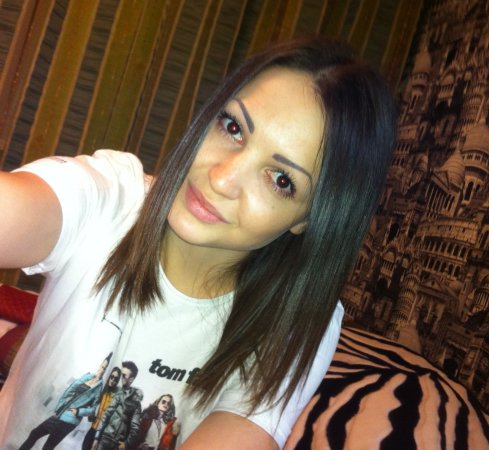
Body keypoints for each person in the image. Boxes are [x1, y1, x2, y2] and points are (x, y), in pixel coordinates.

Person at [0, 36, 396, 449]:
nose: (222, 179)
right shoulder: (110, 198)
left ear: (309, 218)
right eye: (233, 128)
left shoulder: (297, 317)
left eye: (281, 180)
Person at [17, 353, 112, 450]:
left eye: (105, 368)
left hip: (69, 421)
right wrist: (61, 405)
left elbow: (93, 410)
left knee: (48, 447)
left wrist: (78, 411)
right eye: (102, 366)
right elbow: (71, 388)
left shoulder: (98, 388)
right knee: (35, 433)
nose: (102, 370)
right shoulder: (88, 377)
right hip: (61, 413)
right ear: (99, 366)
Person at [93, 361, 144, 449]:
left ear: (131, 379)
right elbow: (106, 416)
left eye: (124, 376)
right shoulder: (118, 394)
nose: (120, 378)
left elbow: (135, 427)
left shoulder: (136, 402)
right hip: (104, 439)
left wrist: (126, 444)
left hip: (118, 445)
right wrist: (96, 438)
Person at [82, 366, 122, 450]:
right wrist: (91, 415)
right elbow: (93, 406)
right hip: (93, 428)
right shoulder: (103, 390)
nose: (112, 380)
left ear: (117, 381)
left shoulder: (116, 397)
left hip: (102, 434)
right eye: (112, 377)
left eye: (115, 379)